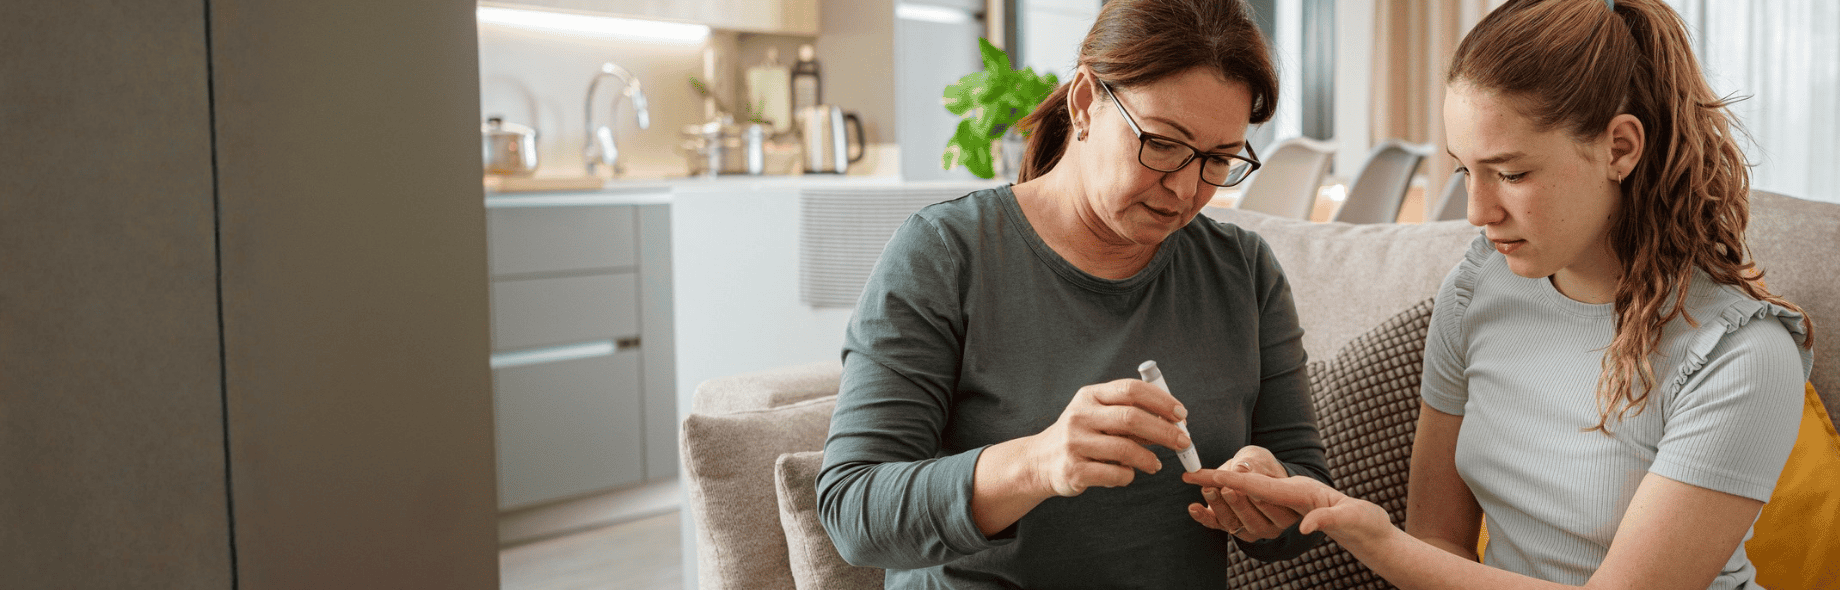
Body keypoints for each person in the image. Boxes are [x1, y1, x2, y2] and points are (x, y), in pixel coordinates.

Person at [1185, 0, 1818, 588]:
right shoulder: (1477, 289)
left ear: (1619, 148)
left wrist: (1374, 538)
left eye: (1512, 173)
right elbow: (1439, 541)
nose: (1477, 211)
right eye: (1466, 170)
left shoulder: (1741, 354)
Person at [816, 0, 1331, 586]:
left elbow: (1309, 494)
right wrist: (1036, 463)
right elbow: (853, 512)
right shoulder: (945, 254)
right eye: (1163, 143)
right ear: (1085, 102)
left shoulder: (1243, 272)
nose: (1186, 189)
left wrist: (1274, 500)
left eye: (1217, 160)